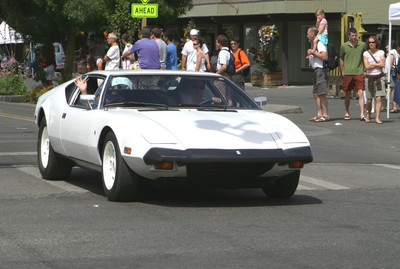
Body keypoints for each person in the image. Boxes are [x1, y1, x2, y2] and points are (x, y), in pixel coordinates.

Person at [339, 28, 366, 120]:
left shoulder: (362, 45)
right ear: (349, 36)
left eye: (355, 35)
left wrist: (365, 69)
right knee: (348, 94)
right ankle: (347, 111)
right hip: (347, 72)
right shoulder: (344, 46)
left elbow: (365, 56)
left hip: (359, 72)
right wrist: (341, 70)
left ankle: (362, 113)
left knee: (361, 92)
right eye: (352, 36)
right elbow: (341, 58)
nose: (354, 37)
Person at [307, 27, 330, 122]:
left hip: (321, 70)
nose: (307, 36)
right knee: (316, 93)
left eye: (308, 34)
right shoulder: (314, 44)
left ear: (312, 35)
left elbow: (324, 56)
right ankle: (319, 114)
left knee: (321, 93)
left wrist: (313, 52)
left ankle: (325, 114)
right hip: (316, 70)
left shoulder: (320, 43)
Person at [363, 36, 385, 124]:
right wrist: (377, 64)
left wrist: (372, 64)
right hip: (369, 77)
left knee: (379, 98)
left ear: (376, 43)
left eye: (373, 42)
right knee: (369, 99)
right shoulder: (366, 53)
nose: (371, 44)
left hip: (379, 76)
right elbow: (366, 66)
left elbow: (383, 64)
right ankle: (368, 113)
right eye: (369, 42)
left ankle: (377, 117)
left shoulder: (381, 52)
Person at [386, 40, 399, 113]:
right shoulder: (395, 52)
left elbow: (390, 65)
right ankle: (394, 105)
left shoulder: (391, 53)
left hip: (392, 72)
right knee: (393, 89)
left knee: (392, 89)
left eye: (387, 45)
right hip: (395, 72)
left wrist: (387, 74)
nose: (386, 47)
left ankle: (394, 106)